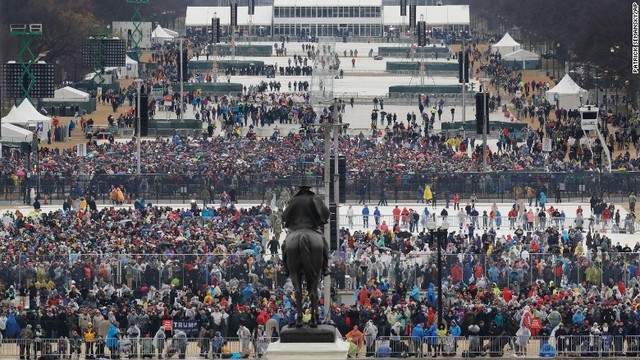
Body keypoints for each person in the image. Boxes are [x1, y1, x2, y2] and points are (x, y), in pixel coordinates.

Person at [281, 176, 331, 277]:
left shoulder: (294, 199)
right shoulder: (316, 198)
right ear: (309, 188)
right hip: (312, 228)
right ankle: (325, 267)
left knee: (284, 246)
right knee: (324, 244)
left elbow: (285, 215)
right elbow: (326, 212)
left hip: (296, 228)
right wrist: (320, 221)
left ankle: (285, 267)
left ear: (300, 189)